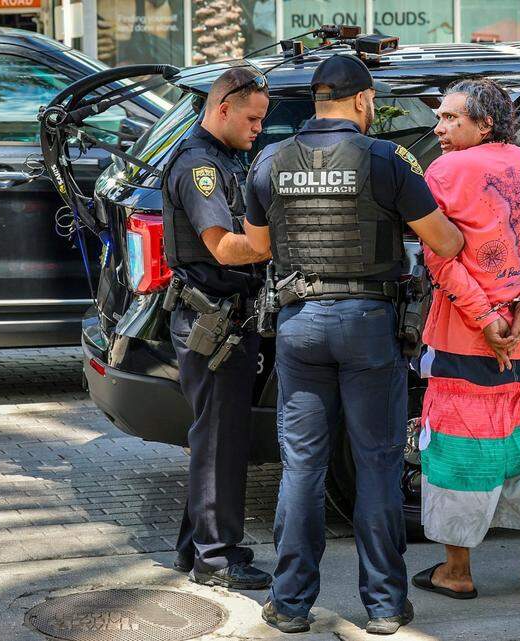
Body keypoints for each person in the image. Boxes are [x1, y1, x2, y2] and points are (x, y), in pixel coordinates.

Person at [243, 54, 464, 635]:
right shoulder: (385, 159)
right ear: (364, 102)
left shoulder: (271, 160)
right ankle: (385, 606)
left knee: (302, 468)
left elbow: (258, 245)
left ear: (317, 102)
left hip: (298, 323)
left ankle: (290, 604)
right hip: (367, 325)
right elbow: (443, 238)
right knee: (377, 465)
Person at [408, 78, 520, 602]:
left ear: (484, 123)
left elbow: (441, 257)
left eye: (449, 119)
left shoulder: (441, 171)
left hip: (466, 340)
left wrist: (485, 318)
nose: (438, 128)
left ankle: (457, 571)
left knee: (460, 450)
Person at [162, 66, 272, 590]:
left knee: (215, 437)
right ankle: (218, 557)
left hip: (227, 317)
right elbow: (224, 247)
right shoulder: (199, 166)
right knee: (220, 441)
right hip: (212, 321)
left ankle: (194, 547)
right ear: (222, 107)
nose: (258, 129)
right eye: (252, 118)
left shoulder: (227, 157)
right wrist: (284, 239)